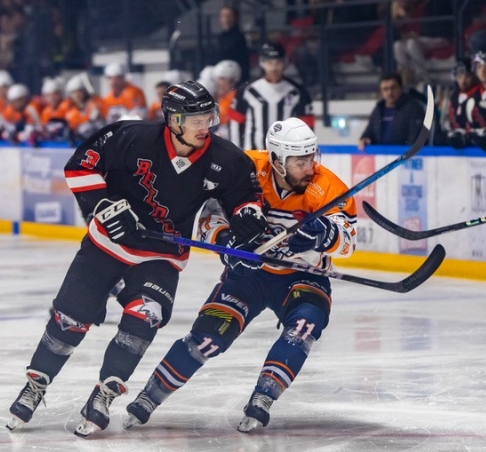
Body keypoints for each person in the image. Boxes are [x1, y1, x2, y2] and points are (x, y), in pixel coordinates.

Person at [6, 81, 268, 437]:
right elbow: (80, 166)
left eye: (208, 116)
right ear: (174, 120)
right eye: (196, 118)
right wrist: (103, 206)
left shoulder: (226, 158)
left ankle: (104, 394)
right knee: (70, 319)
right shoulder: (130, 136)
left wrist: (249, 215)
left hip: (161, 254)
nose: (205, 125)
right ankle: (35, 385)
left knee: (145, 318)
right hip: (107, 245)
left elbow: (245, 195)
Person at [123, 117, 357, 433]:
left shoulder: (326, 186)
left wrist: (324, 235)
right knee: (208, 338)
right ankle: (149, 397)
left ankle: (263, 398)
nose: (308, 167)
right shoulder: (244, 170)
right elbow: (208, 218)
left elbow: (347, 241)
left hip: (303, 277)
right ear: (276, 160)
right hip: (249, 276)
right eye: (299, 160)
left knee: (304, 327)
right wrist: (228, 245)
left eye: (310, 157)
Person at [229, 41, 314, 150]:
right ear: (262, 63)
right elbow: (235, 122)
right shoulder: (247, 90)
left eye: (278, 62)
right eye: (269, 62)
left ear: (284, 63)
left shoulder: (298, 92)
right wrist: (236, 152)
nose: (274, 68)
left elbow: (307, 126)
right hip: (254, 156)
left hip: (286, 156)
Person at [358, 72, 426, 150]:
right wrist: (364, 139)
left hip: (402, 157)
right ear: (381, 91)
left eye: (393, 88)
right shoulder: (378, 110)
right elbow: (368, 133)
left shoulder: (413, 108)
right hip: (381, 157)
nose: (389, 92)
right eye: (385, 89)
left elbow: (416, 138)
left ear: (401, 88)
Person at [439, 57, 480, 148]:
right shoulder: (453, 97)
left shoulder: (479, 95)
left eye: (467, 76)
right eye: (460, 76)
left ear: (474, 76)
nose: (463, 81)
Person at [215, 5, 250, 85]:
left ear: (234, 18)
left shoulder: (238, 37)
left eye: (228, 16)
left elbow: (226, 54)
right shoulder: (221, 37)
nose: (225, 19)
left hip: (234, 75)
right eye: (222, 16)